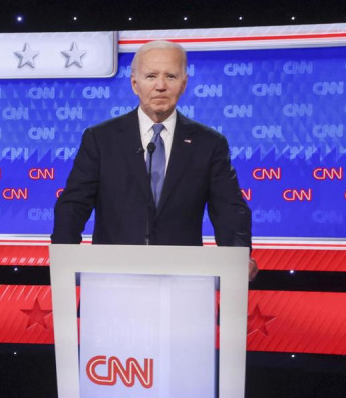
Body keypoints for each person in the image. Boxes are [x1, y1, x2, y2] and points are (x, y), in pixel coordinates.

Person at [51, 40, 256, 276]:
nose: (161, 86)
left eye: (170, 76)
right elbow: (74, 204)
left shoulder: (209, 143)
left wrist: (238, 256)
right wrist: (63, 256)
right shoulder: (100, 138)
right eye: (151, 76)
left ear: (184, 83)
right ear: (134, 84)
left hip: (184, 279)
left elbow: (230, 209)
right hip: (112, 277)